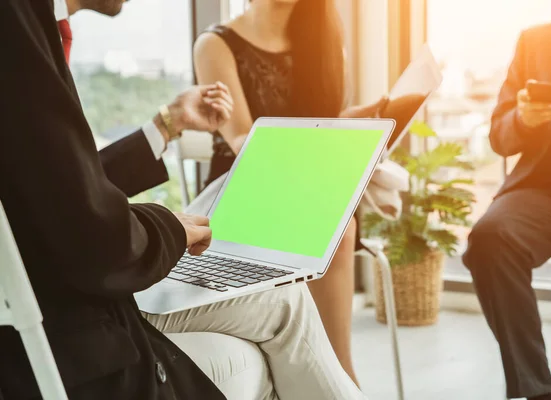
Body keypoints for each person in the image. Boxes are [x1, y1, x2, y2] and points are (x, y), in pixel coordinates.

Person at [0, 1, 366, 399]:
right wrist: (167, 228)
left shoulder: (29, 25)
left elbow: (60, 185)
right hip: (73, 331)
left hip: (63, 297)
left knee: (286, 302)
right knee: (286, 305)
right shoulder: (17, 27)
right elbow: (82, 225)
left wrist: (166, 124)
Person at [192, 0, 387, 385]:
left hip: (305, 183)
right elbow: (242, 142)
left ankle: (338, 374)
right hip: (242, 187)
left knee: (337, 219)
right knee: (338, 224)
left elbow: (319, 121)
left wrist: (355, 123)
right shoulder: (215, 44)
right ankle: (343, 378)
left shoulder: (323, 40)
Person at [462, 1, 551, 399]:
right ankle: (536, 392)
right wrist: (523, 120)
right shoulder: (536, 41)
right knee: (491, 237)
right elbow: (498, 137)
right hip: (547, 191)